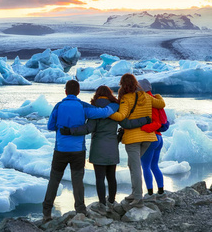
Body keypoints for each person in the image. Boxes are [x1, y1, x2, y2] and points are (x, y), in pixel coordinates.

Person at [42, 80, 118, 222]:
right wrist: (115, 105)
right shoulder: (83, 106)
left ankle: (46, 213)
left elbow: (50, 126)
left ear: (65, 91)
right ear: (78, 91)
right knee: (77, 181)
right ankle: (80, 210)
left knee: (54, 180)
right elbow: (103, 113)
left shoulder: (58, 106)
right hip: (78, 151)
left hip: (60, 150)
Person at [66, 85, 150, 214]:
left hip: (98, 149)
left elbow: (87, 129)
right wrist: (145, 120)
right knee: (111, 177)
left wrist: (70, 131)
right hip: (112, 147)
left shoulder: (94, 110)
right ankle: (111, 201)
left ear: (97, 95)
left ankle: (102, 204)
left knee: (100, 178)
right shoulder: (114, 110)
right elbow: (128, 124)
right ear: (110, 95)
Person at [109, 73, 165, 208]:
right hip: (148, 138)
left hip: (133, 139)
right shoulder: (147, 96)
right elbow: (161, 104)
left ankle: (138, 198)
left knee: (135, 168)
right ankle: (134, 193)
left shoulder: (126, 99)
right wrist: (156, 95)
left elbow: (121, 116)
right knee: (131, 164)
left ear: (123, 84)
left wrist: (107, 112)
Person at [137, 79, 167, 200]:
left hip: (151, 137)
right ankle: (161, 191)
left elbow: (155, 122)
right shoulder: (157, 100)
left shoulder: (147, 102)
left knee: (145, 166)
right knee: (154, 165)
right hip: (159, 138)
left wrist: (142, 127)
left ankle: (150, 194)